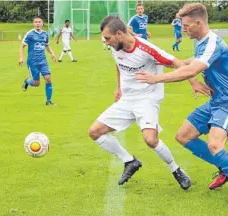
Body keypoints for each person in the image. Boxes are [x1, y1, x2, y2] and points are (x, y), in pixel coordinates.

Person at [136, 3, 228, 206]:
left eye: (185, 25)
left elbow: (190, 71)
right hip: (216, 100)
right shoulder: (200, 41)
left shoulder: (213, 43)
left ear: (198, 22)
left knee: (214, 145)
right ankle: (224, 167)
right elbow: (194, 61)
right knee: (183, 136)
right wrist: (165, 61)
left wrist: (156, 78)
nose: (182, 29)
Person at [89, 16, 209, 189]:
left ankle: (176, 169)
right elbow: (119, 64)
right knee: (94, 132)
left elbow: (176, 62)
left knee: (151, 140)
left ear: (119, 34)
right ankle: (130, 161)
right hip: (127, 99)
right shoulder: (116, 46)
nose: (106, 42)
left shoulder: (146, 49)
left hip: (146, 98)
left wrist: (194, 82)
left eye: (108, 38)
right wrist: (118, 88)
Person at [20, 16, 57, 106]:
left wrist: (52, 53)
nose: (37, 24)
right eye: (36, 22)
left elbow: (47, 45)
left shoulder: (45, 34)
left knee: (48, 79)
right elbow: (22, 46)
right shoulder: (30, 34)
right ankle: (27, 81)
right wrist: (21, 57)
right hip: (33, 62)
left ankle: (48, 101)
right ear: (33, 23)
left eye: (39, 22)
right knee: (37, 84)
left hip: (43, 61)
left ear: (42, 23)